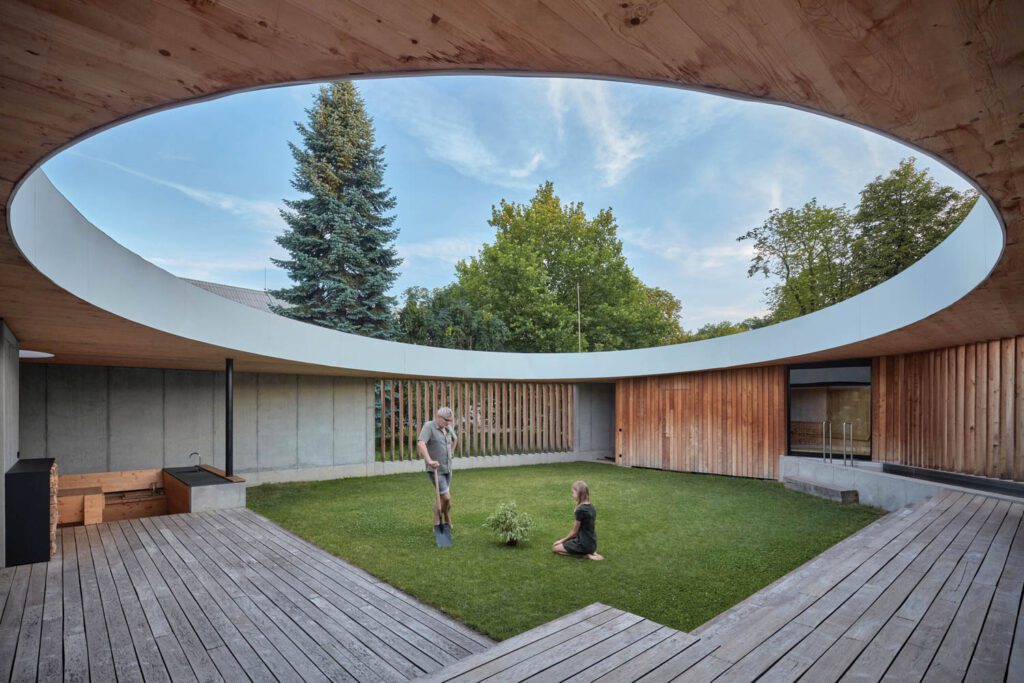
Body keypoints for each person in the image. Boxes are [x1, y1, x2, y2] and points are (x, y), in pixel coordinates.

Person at [418, 407, 458, 530]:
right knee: (446, 497)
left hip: (448, 468)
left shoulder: (447, 427)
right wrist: (429, 460)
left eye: (450, 420)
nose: (449, 423)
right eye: (446, 420)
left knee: (444, 499)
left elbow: (455, 439)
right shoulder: (429, 426)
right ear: (438, 417)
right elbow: (421, 443)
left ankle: (442, 519)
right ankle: (441, 519)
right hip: (436, 470)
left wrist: (451, 451)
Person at [552, 480, 603, 560]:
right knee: (560, 542)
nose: (572, 495)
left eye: (573, 493)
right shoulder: (591, 507)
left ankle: (586, 555)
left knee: (555, 548)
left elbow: (574, 532)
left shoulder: (580, 510)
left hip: (583, 544)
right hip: (592, 543)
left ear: (579, 493)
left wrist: (562, 540)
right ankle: (591, 552)